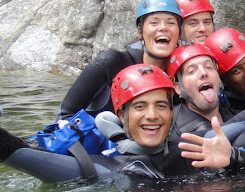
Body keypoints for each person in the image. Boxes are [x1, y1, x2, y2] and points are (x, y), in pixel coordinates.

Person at [2, 64, 195, 182]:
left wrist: (226, 157)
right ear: (121, 116)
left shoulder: (193, 152)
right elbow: (21, 153)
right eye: (140, 107)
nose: (152, 115)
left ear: (171, 112)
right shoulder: (105, 166)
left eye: (161, 106)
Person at [58, 0, 181, 119]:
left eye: (170, 23)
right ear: (140, 32)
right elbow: (65, 116)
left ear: (180, 33)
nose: (163, 28)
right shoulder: (111, 63)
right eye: (154, 22)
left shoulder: (185, 75)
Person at [165, 44, 235, 138]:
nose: (203, 73)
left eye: (208, 67)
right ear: (178, 88)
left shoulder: (231, 108)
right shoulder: (177, 137)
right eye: (192, 71)